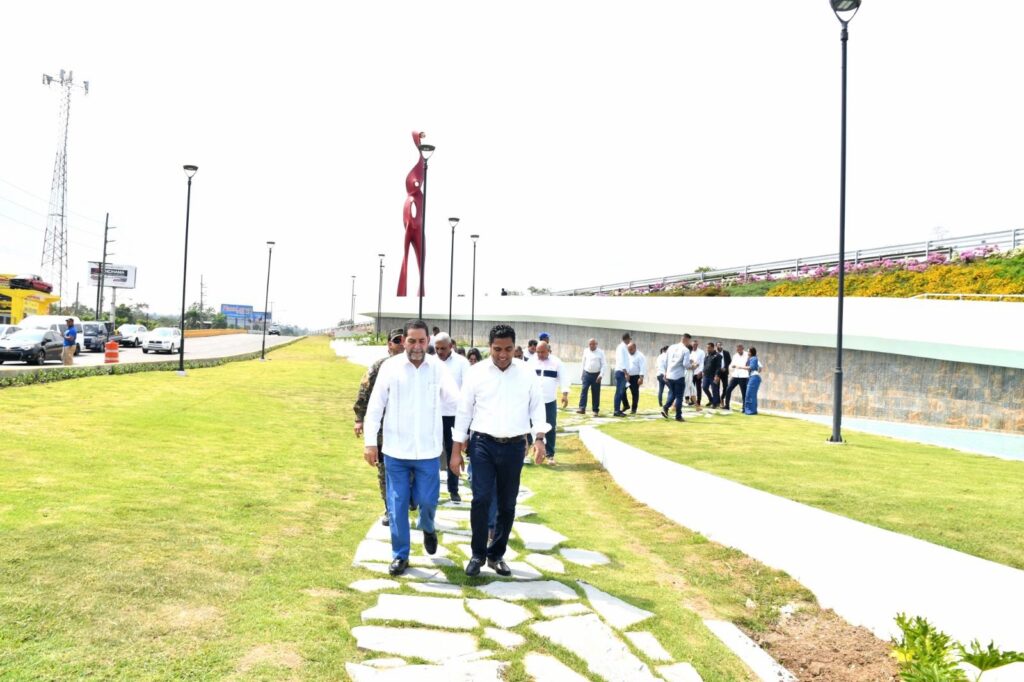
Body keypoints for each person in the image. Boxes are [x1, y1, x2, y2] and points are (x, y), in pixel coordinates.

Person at [363, 320, 460, 576]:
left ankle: (428, 527)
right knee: (397, 505)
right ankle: (400, 555)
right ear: (404, 341)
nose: (417, 346)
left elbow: (456, 402)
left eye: (421, 341)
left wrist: (464, 433)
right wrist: (370, 443)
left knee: (427, 501)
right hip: (395, 451)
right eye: (412, 341)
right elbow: (375, 406)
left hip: (428, 451)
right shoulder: (390, 368)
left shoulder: (438, 369)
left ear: (428, 341)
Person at [450, 324, 548, 577]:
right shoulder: (476, 372)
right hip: (483, 444)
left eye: (507, 349)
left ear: (514, 347)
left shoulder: (527, 373)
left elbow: (537, 407)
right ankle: (477, 554)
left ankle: (496, 555)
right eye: (497, 349)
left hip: (515, 446)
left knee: (507, 503)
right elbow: (464, 412)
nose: (503, 354)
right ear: (489, 347)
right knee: (481, 499)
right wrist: (456, 450)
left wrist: (539, 438)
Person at [353, 328, 405, 526]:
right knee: (384, 471)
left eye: (403, 340)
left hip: (407, 430)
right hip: (383, 431)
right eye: (396, 341)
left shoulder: (416, 366)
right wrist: (359, 418)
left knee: (410, 470)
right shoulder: (379, 367)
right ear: (389, 345)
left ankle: (408, 499)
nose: (401, 344)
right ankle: (389, 508)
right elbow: (364, 392)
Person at [435, 333, 470, 502]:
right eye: (437, 348)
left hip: (454, 415)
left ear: (451, 346)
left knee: (453, 452)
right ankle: (428, 490)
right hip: (433, 414)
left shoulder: (462, 363)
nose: (440, 352)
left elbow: (468, 389)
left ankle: (453, 489)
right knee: (432, 452)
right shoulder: (431, 362)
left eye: (443, 348)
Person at [527, 341, 570, 464]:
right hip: (533, 400)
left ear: (548, 351)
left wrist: (565, 394)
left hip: (549, 400)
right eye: (538, 352)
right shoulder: (531, 362)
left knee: (550, 426)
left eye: (542, 352)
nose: (540, 354)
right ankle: (530, 451)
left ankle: (550, 454)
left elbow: (564, 378)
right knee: (530, 426)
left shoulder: (556, 362)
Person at [661, 333, 691, 422]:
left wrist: (665, 372)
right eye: (689, 341)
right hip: (679, 376)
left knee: (673, 394)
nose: (689, 343)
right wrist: (693, 366)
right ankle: (678, 416)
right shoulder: (686, 350)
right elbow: (686, 364)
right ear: (686, 340)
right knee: (679, 397)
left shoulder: (671, 347)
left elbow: (666, 361)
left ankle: (665, 407)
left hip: (670, 375)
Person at [576, 338, 606, 416]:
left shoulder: (601, 352)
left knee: (596, 392)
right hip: (586, 374)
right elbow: (583, 363)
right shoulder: (586, 351)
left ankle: (595, 410)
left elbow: (603, 365)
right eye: (590, 344)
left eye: (593, 344)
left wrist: (601, 375)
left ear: (596, 344)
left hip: (596, 375)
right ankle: (582, 408)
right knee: (584, 390)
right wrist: (581, 374)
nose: (591, 345)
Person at [622, 342, 646, 414]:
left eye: (631, 349)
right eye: (628, 349)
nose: (629, 351)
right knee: (621, 391)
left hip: (635, 377)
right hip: (627, 376)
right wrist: (625, 374)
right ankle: (626, 405)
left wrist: (641, 378)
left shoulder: (640, 356)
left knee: (635, 393)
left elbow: (643, 367)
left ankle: (634, 409)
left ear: (635, 348)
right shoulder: (626, 355)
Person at [724, 344, 749, 410]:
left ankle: (744, 408)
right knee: (728, 389)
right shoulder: (735, 356)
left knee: (744, 392)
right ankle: (727, 406)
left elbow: (748, 365)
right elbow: (731, 365)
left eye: (740, 349)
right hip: (735, 376)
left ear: (743, 348)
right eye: (737, 349)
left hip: (743, 376)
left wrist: (740, 367)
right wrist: (731, 367)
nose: (738, 350)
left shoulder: (747, 355)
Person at [612, 332, 632, 417]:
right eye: (629, 339)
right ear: (627, 339)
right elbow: (621, 361)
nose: (630, 341)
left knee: (621, 392)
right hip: (621, 372)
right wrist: (626, 373)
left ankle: (618, 410)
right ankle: (616, 411)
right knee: (619, 392)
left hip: (623, 372)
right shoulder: (621, 347)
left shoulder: (624, 347)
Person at [701, 342, 723, 408]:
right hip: (706, 375)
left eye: (709, 348)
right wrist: (703, 371)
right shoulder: (707, 355)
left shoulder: (718, 356)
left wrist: (717, 375)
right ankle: (711, 400)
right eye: (707, 348)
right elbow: (705, 364)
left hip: (713, 375)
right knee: (704, 387)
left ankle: (715, 403)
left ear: (713, 348)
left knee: (714, 389)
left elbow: (718, 367)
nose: (708, 349)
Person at [743, 347, 763, 415]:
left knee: (749, 394)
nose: (747, 353)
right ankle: (753, 410)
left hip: (754, 377)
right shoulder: (751, 359)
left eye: (748, 351)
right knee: (752, 395)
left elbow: (753, 367)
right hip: (752, 377)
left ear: (751, 352)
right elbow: (760, 367)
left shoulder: (754, 358)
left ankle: (750, 411)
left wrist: (739, 367)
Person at [689, 340, 705, 408]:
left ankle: (698, 401)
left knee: (698, 388)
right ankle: (692, 401)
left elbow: (702, 363)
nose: (694, 346)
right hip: (690, 373)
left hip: (698, 372)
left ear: (697, 345)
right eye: (693, 345)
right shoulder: (689, 351)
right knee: (691, 388)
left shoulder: (701, 352)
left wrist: (700, 371)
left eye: (696, 345)